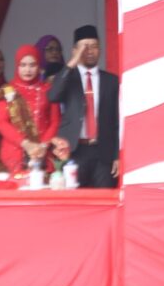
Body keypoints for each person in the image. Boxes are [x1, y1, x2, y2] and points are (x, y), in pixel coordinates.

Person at [49, 25, 120, 188]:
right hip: (74, 150)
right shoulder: (67, 78)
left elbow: (116, 121)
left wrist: (117, 155)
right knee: (75, 198)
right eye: (84, 47)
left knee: (104, 198)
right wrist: (72, 63)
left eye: (94, 46)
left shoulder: (111, 81)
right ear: (75, 50)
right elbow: (53, 96)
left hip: (103, 152)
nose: (90, 51)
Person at [0, 45, 61, 177]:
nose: (27, 70)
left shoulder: (47, 90)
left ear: (39, 66)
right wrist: (25, 143)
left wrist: (43, 146)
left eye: (32, 65)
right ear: (17, 66)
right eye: (23, 65)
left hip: (43, 154)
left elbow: (55, 121)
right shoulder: (7, 90)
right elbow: (1, 123)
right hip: (15, 153)